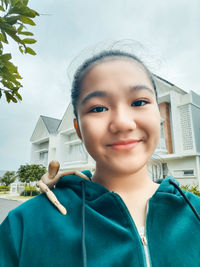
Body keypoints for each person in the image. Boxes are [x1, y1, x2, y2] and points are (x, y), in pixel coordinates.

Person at [0, 50, 200, 267]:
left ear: (157, 113)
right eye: (98, 108)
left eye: (139, 102)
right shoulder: (25, 227)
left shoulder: (195, 211)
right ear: (78, 130)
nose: (123, 123)